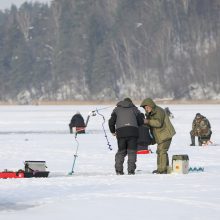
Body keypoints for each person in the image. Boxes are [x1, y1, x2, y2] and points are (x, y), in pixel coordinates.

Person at [108, 98, 144, 175]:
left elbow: (111, 122)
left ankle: (119, 171)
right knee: (132, 152)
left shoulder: (116, 109)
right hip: (133, 132)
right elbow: (141, 122)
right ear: (131, 102)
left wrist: (113, 131)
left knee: (121, 152)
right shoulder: (134, 109)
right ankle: (131, 171)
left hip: (121, 132)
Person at [140, 98, 176, 174]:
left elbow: (158, 123)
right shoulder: (149, 114)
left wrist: (147, 121)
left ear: (151, 105)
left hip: (166, 134)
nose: (146, 109)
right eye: (145, 108)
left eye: (147, 107)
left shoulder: (159, 111)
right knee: (159, 151)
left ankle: (162, 170)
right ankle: (161, 168)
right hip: (160, 136)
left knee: (162, 151)